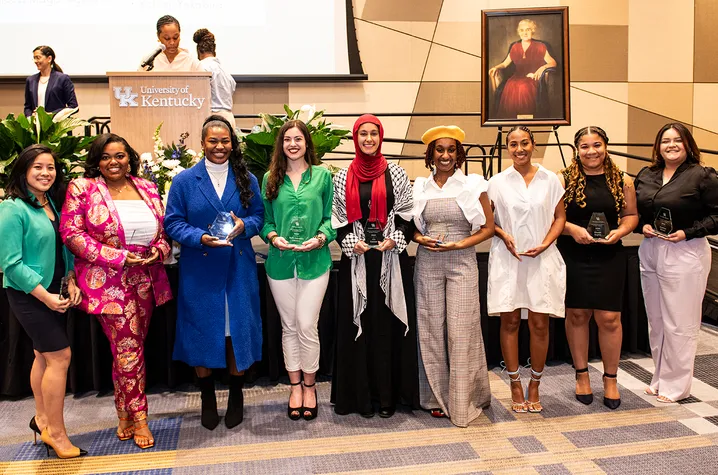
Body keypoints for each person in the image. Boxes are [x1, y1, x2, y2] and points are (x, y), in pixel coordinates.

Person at [60, 133, 172, 450]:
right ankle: (139, 418)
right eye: (107, 156)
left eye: (120, 155)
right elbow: (71, 234)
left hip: (146, 281)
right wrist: (120, 257)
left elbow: (165, 232)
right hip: (108, 284)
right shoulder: (82, 188)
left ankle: (122, 413)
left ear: (129, 158)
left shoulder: (147, 187)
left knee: (127, 351)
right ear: (97, 160)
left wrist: (159, 252)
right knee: (129, 351)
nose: (114, 162)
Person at [164, 115, 264, 430]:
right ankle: (207, 397)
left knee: (236, 331)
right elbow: (173, 222)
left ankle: (236, 395)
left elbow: (259, 216)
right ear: (203, 143)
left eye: (225, 141)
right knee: (201, 332)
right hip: (200, 268)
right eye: (213, 141)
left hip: (238, 267)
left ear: (232, 143)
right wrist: (199, 238)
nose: (219, 147)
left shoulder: (248, 178)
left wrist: (243, 225)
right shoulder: (183, 181)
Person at [330, 114, 419, 418]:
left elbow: (408, 215)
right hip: (357, 258)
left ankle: (388, 398)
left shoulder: (396, 172)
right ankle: (361, 398)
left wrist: (395, 238)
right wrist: (349, 241)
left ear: (381, 137)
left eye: (373, 134)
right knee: (362, 327)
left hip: (390, 257)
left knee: (388, 329)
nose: (368, 139)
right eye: (362, 134)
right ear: (355, 138)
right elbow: (338, 219)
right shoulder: (342, 176)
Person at [0, 145, 85, 459]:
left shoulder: (50, 203)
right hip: (28, 293)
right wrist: (46, 297)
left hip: (55, 288)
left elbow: (64, 249)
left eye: (50, 167)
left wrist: (72, 278)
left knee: (43, 356)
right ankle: (56, 433)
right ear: (23, 170)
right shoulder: (12, 207)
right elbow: (10, 263)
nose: (45, 173)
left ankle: (42, 419)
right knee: (60, 356)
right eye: (38, 167)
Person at [412, 126, 494, 427]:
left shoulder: (474, 185)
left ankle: (464, 400)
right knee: (431, 329)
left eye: (451, 150)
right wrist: (421, 240)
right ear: (431, 154)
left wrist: (460, 244)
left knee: (461, 331)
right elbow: (413, 228)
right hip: (428, 262)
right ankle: (434, 396)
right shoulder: (420, 186)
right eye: (439, 150)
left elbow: (487, 228)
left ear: (458, 154)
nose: (445, 155)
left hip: (461, 261)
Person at [635, 123, 718, 403]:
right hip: (651, 249)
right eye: (665, 140)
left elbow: (717, 216)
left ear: (687, 144)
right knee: (657, 320)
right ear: (658, 146)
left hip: (686, 251)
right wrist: (642, 227)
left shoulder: (702, 176)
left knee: (680, 323)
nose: (671, 145)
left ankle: (677, 386)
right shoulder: (647, 174)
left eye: (677, 140)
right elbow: (636, 211)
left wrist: (688, 232)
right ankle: (660, 377)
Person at [557, 126, 638, 410]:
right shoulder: (562, 179)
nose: (591, 151)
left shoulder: (623, 180)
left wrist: (621, 232)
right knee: (577, 314)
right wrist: (571, 229)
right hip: (573, 254)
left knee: (609, 319)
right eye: (585, 146)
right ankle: (581, 375)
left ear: (606, 146)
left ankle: (610, 379)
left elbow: (631, 215)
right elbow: (553, 218)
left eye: (597, 145)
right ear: (576, 150)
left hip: (609, 255)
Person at [487, 125, 566, 413]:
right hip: (508, 259)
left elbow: (560, 217)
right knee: (508, 321)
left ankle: (535, 383)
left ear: (533, 145)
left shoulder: (550, 179)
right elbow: (487, 220)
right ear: (506, 148)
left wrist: (546, 243)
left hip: (542, 258)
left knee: (539, 324)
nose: (519, 149)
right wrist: (502, 233)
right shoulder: (496, 181)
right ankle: (514, 382)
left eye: (524, 143)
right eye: (512, 144)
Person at [259, 120, 335, 421]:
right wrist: (273, 237)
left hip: (315, 263)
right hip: (279, 263)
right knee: (288, 326)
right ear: (281, 144)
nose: (293, 144)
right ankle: (295, 387)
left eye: (298, 139)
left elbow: (332, 218)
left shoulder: (322, 177)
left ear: (307, 143)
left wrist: (320, 238)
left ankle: (310, 385)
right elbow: (266, 221)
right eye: (287, 139)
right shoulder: (270, 178)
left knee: (306, 324)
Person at [488, 19, 557, 119]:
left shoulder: (540, 46)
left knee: (523, 87)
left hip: (533, 77)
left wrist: (542, 67)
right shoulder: (515, 46)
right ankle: (511, 119)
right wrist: (495, 67)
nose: (525, 32)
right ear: (519, 32)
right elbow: (505, 64)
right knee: (511, 85)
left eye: (528, 29)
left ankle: (526, 118)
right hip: (517, 76)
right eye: (522, 30)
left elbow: (553, 63)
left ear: (532, 31)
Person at [194, 28, 237, 128]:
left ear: (198, 51)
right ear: (214, 50)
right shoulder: (226, 73)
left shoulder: (201, 68)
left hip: (212, 120)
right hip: (229, 118)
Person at [24, 46, 78, 117]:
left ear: (49, 58)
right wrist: (30, 116)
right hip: (36, 126)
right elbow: (28, 107)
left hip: (57, 125)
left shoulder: (62, 79)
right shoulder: (30, 80)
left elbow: (74, 106)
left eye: (38, 58)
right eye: (34, 58)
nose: (35, 61)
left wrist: (51, 115)